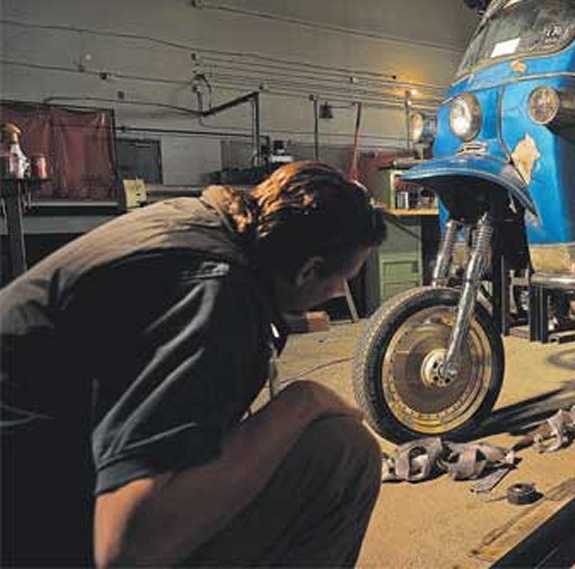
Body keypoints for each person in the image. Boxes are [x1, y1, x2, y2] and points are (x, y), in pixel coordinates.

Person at [1, 161, 387, 567]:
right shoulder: (214, 294)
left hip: (48, 472)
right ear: (307, 271)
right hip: (31, 522)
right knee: (342, 451)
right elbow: (127, 548)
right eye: (342, 278)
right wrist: (301, 403)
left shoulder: (206, 221)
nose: (337, 291)